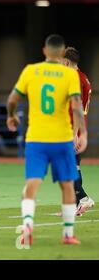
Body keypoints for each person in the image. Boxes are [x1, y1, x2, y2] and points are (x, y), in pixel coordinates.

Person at [7, 35, 87, 246]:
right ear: (62, 54)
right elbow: (77, 107)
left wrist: (11, 115)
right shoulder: (70, 75)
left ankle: (27, 228)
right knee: (68, 186)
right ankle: (68, 234)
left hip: (37, 139)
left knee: (32, 184)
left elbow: (12, 99)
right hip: (61, 138)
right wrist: (82, 134)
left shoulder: (30, 71)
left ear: (44, 51)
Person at [63, 47, 94, 215]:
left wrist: (74, 134)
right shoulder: (84, 77)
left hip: (74, 128)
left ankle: (83, 199)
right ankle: (76, 205)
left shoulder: (74, 78)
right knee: (73, 165)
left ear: (66, 61)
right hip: (79, 127)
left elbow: (77, 108)